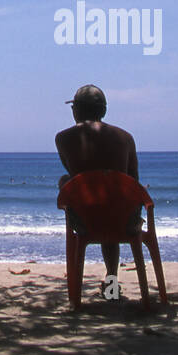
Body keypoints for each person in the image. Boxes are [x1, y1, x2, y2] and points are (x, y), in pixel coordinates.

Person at [55, 84, 140, 281]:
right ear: (104, 110)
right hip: (123, 220)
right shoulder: (125, 138)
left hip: (86, 220)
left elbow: (75, 176)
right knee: (111, 201)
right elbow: (134, 179)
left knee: (66, 181)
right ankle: (112, 284)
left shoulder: (63, 138)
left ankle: (79, 290)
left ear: (76, 109)